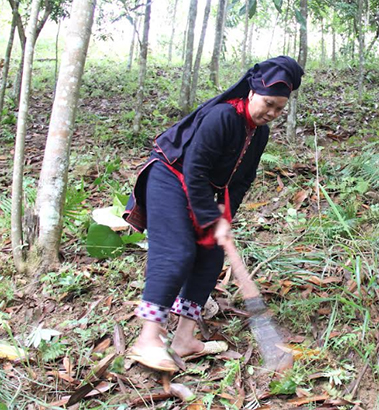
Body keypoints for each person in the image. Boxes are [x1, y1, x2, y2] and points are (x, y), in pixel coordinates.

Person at [122, 56, 304, 372]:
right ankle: (147, 340)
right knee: (176, 253)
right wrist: (210, 215)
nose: (271, 113)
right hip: (170, 177)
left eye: (279, 109)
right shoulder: (222, 116)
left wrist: (226, 218)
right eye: (268, 104)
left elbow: (242, 179)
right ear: (252, 91)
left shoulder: (259, 133)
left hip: (199, 188)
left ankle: (184, 340)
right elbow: (194, 169)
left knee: (210, 257)